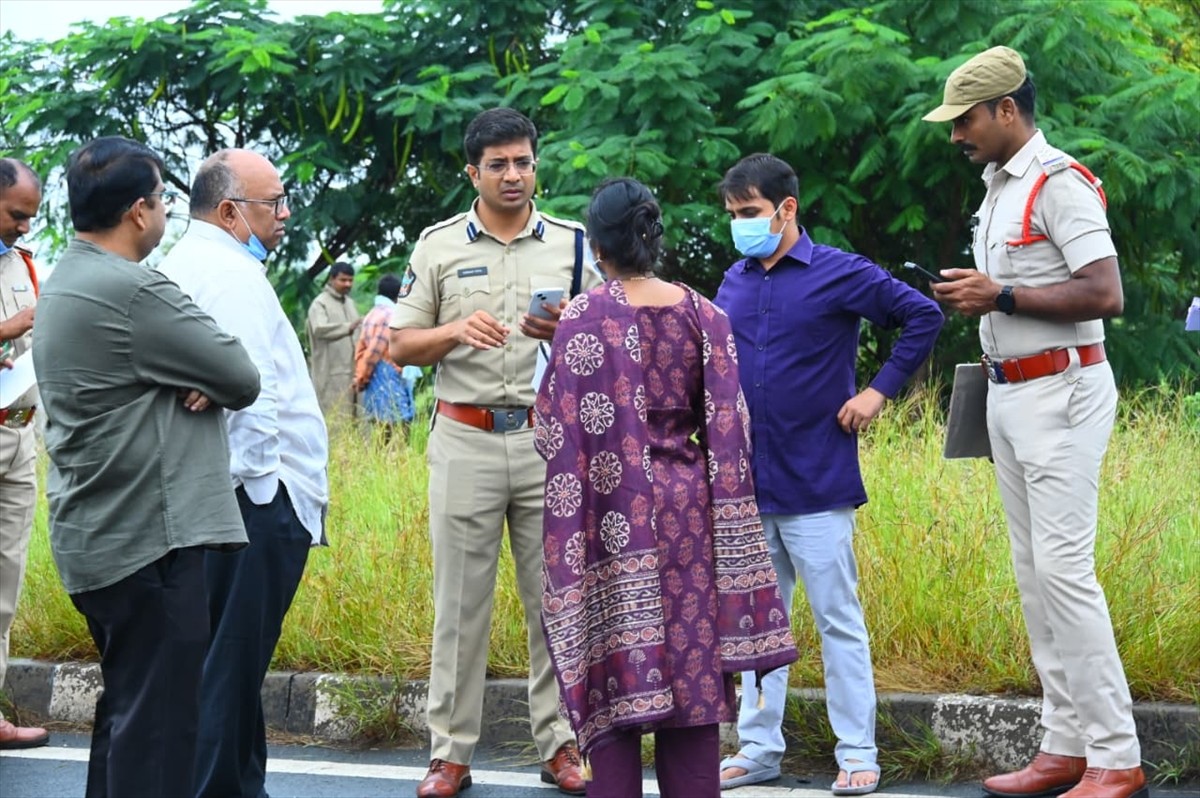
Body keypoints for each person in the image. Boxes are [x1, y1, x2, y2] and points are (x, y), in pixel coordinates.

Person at [923, 46, 1146, 798]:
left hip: (1065, 391)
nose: (957, 135)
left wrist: (1003, 298)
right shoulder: (998, 188)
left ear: (1007, 110)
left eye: (966, 120)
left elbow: (1105, 293)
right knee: (1034, 576)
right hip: (1009, 394)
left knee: (1065, 573)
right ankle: (1064, 744)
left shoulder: (1059, 184)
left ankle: (1118, 755)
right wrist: (985, 299)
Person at [534, 177, 798, 798]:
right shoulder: (705, 313)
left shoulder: (581, 316)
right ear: (653, 238)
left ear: (598, 247)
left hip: (609, 514)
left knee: (613, 682)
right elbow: (732, 427)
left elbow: (553, 428)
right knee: (692, 675)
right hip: (688, 511)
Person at [30, 136, 261, 797]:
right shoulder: (132, 290)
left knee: (131, 716)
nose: (164, 213)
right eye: (163, 200)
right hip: (149, 542)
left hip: (98, 536)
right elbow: (240, 374)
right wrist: (203, 380)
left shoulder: (66, 280)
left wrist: (196, 379)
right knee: (161, 735)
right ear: (138, 211)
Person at [713, 154, 944, 796]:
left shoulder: (839, 272)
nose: (741, 225)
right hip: (746, 488)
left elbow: (923, 316)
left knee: (837, 619)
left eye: (750, 213)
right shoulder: (731, 283)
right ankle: (758, 750)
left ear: (787, 209)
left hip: (816, 481)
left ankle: (857, 752)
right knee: (758, 622)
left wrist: (877, 393)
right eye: (733, 215)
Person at [388, 107, 599, 798]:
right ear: (472, 171)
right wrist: (453, 330)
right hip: (465, 438)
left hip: (550, 441)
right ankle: (450, 753)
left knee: (557, 601)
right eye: (499, 164)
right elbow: (398, 345)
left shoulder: (573, 244)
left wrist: (571, 325)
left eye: (524, 161)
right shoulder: (438, 245)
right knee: (460, 605)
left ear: (537, 164)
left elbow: (611, 334)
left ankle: (561, 744)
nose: (514, 175)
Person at [157, 148, 330, 798]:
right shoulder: (229, 277)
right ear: (230, 211)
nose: (285, 215)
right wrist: (263, 496)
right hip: (249, 506)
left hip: (226, 504)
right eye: (273, 203)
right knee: (226, 678)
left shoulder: (199, 263)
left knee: (229, 679)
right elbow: (250, 395)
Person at [0, 158, 49, 750]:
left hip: (19, 433)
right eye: (17, 214)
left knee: (5, 585)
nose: (25, 228)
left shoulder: (24, 266)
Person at [354, 273, 420, 433]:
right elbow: (374, 352)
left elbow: (362, 348)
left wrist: (362, 375)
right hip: (386, 375)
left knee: (381, 429)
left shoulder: (372, 314)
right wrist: (362, 377)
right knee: (397, 428)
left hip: (376, 377)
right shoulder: (390, 316)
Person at [307, 261, 361, 420]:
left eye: (350, 280)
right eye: (343, 280)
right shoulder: (320, 303)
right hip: (330, 375)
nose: (347, 284)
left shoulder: (350, 303)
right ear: (331, 279)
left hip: (353, 374)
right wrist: (348, 327)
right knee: (335, 421)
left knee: (354, 421)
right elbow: (319, 329)